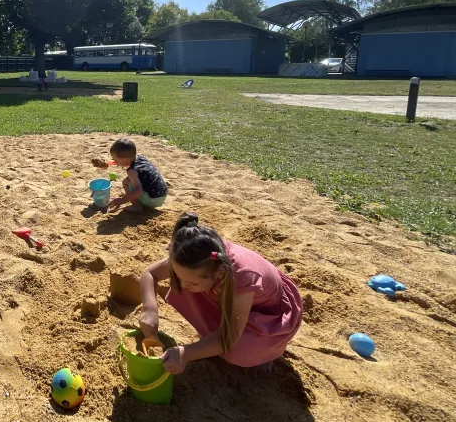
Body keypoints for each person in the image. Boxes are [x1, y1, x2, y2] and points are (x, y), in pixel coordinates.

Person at [139, 213, 303, 374]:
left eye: (191, 282)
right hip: (231, 298)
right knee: (187, 289)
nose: (182, 285)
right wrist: (150, 309)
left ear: (219, 272)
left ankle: (266, 353)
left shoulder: (241, 275)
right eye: (180, 277)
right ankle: (212, 336)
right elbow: (149, 274)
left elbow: (228, 337)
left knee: (236, 350)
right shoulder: (192, 256)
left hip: (269, 315)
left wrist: (185, 353)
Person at [91, 138, 167, 212]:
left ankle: (136, 206)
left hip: (152, 199)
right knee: (130, 180)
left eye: (115, 160)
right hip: (161, 194)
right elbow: (123, 161)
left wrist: (121, 200)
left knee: (126, 182)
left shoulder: (132, 171)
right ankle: (139, 203)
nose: (114, 161)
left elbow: (139, 191)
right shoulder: (139, 158)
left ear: (127, 160)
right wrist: (106, 163)